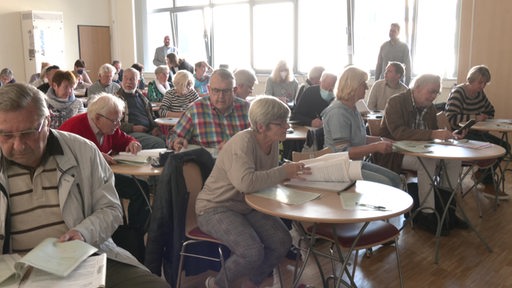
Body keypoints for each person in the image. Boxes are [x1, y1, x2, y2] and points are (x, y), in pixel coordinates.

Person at [0, 83, 170, 288]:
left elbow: (111, 209)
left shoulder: (83, 151)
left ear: (47, 121)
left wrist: (84, 232)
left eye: (28, 133)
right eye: (6, 135)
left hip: (85, 257)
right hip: (13, 269)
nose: (18, 145)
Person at [196, 96, 298, 288]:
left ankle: (252, 282)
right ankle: (217, 284)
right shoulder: (243, 142)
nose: (287, 126)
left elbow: (265, 177)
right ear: (261, 126)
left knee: (282, 241)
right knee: (251, 251)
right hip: (215, 207)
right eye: (281, 123)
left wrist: (287, 176)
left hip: (247, 205)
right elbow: (246, 183)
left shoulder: (273, 141)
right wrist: (283, 172)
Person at [379, 74, 467, 234]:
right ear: (417, 88)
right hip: (395, 152)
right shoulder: (395, 102)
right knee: (427, 162)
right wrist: (433, 134)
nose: (434, 96)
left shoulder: (430, 107)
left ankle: (448, 211)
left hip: (422, 151)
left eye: (437, 93)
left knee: (454, 160)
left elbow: (432, 134)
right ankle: (427, 215)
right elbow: (398, 132)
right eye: (431, 91)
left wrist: (448, 136)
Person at [59, 93, 150, 232]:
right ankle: (125, 233)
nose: (118, 125)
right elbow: (61, 159)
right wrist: (94, 156)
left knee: (141, 187)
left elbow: (126, 139)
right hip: (79, 183)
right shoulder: (74, 128)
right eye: (115, 121)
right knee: (127, 191)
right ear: (97, 118)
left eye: (119, 120)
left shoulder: (109, 127)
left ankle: (135, 233)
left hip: (101, 177)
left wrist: (133, 143)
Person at [321, 66, 400, 188]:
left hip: (352, 163)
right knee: (388, 183)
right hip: (339, 166)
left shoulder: (352, 108)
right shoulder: (338, 112)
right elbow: (344, 152)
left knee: (395, 179)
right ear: (353, 86)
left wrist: (381, 140)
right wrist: (375, 147)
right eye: (364, 84)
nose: (367, 88)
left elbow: (359, 137)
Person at [445, 65, 510, 199]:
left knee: (505, 147)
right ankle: (487, 182)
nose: (483, 86)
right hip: (460, 134)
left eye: (485, 83)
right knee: (492, 148)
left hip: (475, 132)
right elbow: (451, 119)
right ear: (471, 80)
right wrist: (474, 117)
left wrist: (484, 116)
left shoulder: (479, 93)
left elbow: (490, 110)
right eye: (480, 82)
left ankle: (481, 174)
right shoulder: (459, 92)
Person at [168, 68, 250, 151]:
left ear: (234, 91)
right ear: (209, 89)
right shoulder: (195, 109)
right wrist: (175, 142)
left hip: (239, 160)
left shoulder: (247, 109)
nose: (221, 96)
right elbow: (173, 135)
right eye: (216, 91)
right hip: (205, 162)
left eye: (226, 91)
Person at [116, 68, 166, 149]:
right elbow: (112, 125)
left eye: (132, 79)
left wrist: (155, 128)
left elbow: (152, 116)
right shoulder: (116, 99)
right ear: (122, 80)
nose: (128, 81)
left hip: (148, 131)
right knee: (159, 143)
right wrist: (133, 128)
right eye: (126, 78)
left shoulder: (142, 98)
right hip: (129, 133)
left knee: (170, 140)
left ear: (138, 82)